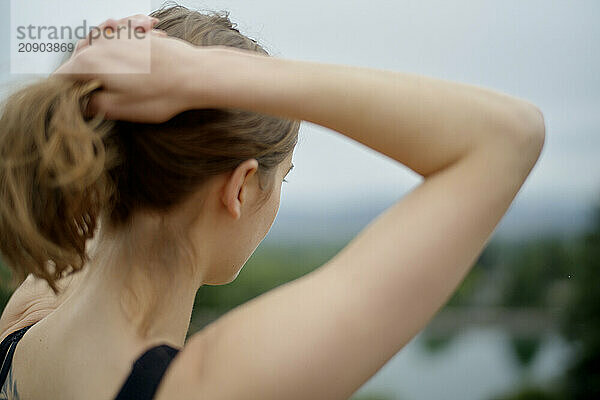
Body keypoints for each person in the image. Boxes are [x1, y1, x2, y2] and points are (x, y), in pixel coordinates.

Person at [0, 4, 545, 400]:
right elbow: (510, 136)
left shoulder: (24, 321)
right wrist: (207, 75)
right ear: (239, 188)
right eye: (283, 175)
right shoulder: (205, 386)